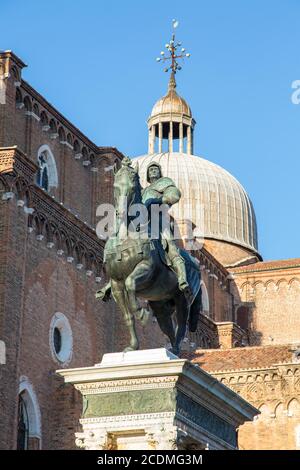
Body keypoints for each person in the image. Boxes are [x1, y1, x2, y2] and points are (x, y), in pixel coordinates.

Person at [142, 161, 192, 302]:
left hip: (159, 219)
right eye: (150, 169)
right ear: (147, 174)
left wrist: (159, 200)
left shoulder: (165, 182)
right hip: (144, 221)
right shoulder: (144, 190)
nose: (153, 171)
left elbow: (174, 194)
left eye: (155, 169)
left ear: (160, 172)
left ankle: (182, 279)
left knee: (170, 245)